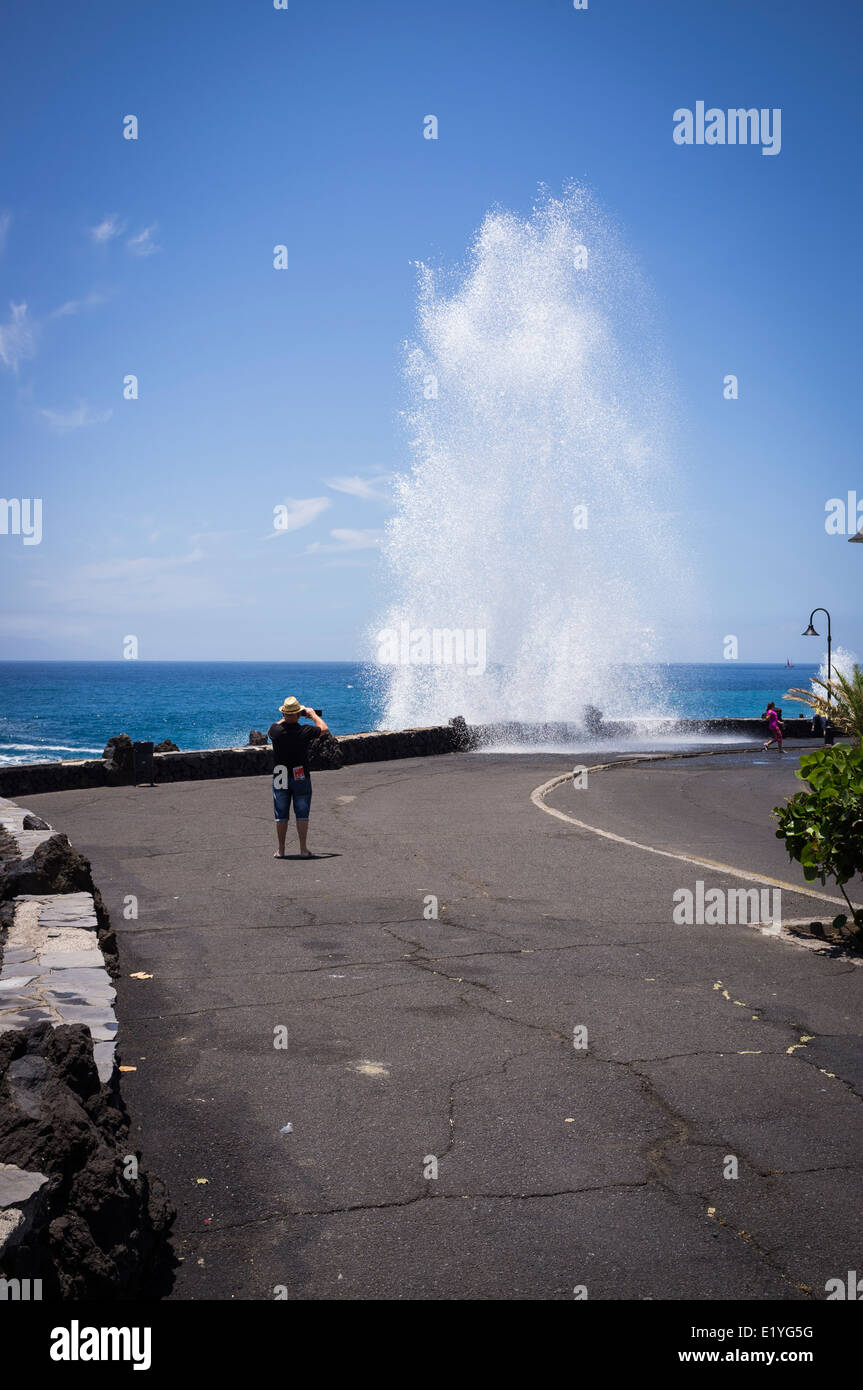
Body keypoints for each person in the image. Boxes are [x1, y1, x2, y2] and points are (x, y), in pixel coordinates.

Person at [267, 697, 329, 858]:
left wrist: (288, 716)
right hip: (299, 772)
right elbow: (324, 729)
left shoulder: (275, 730)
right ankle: (303, 849)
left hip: (280, 773)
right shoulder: (305, 731)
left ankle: (281, 850)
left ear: (284, 713)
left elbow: (274, 727)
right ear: (298, 714)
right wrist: (313, 715)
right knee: (302, 812)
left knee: (281, 814)